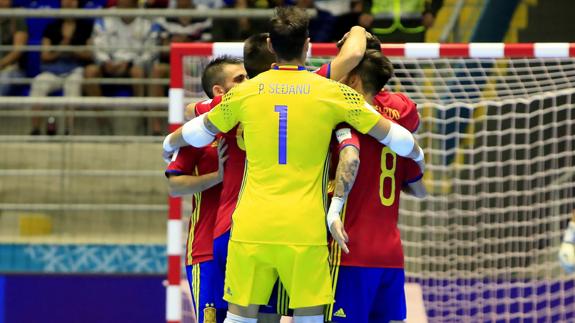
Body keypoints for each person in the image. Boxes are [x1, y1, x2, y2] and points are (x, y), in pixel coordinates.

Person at [163, 7, 425, 323]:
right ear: (308, 45)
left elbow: (196, 129)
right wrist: (418, 155)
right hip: (305, 230)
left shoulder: (244, 92)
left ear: (272, 44)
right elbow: (397, 138)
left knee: (239, 317)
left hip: (251, 227)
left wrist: (168, 144)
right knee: (309, 318)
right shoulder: (333, 92)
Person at [325, 49, 426, 323]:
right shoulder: (402, 110)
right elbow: (419, 188)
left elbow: (351, 156)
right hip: (390, 253)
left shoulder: (342, 112)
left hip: (348, 247)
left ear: (355, 77)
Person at [166, 56, 247, 323]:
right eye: (240, 79)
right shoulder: (199, 133)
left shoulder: (255, 123)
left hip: (248, 242)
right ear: (218, 92)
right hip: (206, 248)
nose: (248, 83)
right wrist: (217, 176)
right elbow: (174, 185)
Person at [84, 0, 157, 134]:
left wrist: (129, 64)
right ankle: (104, 124)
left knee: (138, 74)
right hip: (108, 63)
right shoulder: (105, 18)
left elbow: (150, 52)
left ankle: (139, 123)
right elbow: (97, 46)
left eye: (128, 3)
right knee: (89, 72)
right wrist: (105, 62)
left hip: (133, 65)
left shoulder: (147, 20)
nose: (124, 5)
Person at [29, 0, 94, 135]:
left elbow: (89, 55)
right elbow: (45, 56)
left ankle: (69, 131)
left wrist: (73, 50)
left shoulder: (86, 27)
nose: (69, 3)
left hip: (75, 69)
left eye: (72, 1)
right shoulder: (51, 27)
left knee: (73, 85)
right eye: (65, 0)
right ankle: (35, 129)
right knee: (38, 83)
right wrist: (60, 50)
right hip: (52, 70)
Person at [148, 0, 212, 135]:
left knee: (195, 68)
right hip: (171, 62)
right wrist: (184, 44)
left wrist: (182, 43)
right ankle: (156, 126)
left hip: (197, 63)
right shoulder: (164, 17)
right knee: (157, 71)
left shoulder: (204, 17)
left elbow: (206, 45)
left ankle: (196, 124)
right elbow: (161, 48)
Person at [360, 0, 443, 42]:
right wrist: (366, 10)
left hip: (413, 30)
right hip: (381, 29)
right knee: (381, 70)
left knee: (413, 69)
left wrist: (432, 12)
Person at [0, 0, 28, 96]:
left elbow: (18, 50)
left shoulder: (16, 18)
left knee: (3, 80)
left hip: (11, 68)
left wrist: (1, 63)